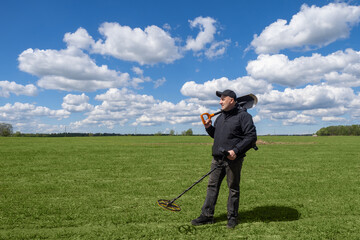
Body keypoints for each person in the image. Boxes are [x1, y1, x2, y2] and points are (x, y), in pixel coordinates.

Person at [191, 89, 257, 229]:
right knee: (211, 187)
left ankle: (232, 218)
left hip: (233, 160)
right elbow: (218, 136)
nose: (220, 102)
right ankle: (207, 216)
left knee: (233, 188)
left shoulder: (244, 116)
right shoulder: (220, 117)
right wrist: (209, 128)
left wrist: (236, 151)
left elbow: (251, 137)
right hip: (217, 159)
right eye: (220, 99)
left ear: (231, 100)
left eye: (223, 99)